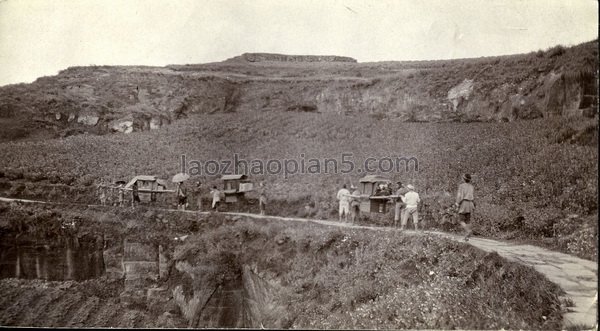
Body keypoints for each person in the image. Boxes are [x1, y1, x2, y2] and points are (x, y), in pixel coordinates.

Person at [455, 173, 475, 241]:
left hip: (464, 203)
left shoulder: (461, 186)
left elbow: (460, 196)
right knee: (468, 220)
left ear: (464, 179)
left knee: (461, 220)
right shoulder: (471, 186)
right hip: (470, 203)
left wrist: (457, 203)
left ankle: (468, 231)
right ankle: (466, 237)